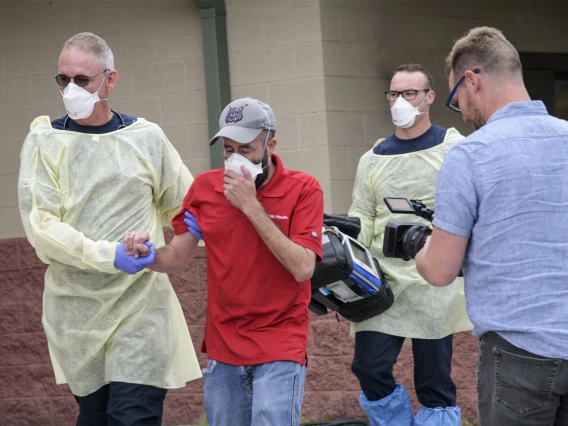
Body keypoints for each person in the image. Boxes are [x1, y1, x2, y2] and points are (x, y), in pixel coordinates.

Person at [17, 32, 201, 426]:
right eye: (62, 79)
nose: (70, 89)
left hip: (140, 307)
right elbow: (42, 227)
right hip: (77, 313)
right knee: (96, 418)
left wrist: (176, 252)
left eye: (81, 80)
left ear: (110, 79)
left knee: (133, 417)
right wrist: (109, 256)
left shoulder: (146, 138)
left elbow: (187, 204)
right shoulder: (45, 142)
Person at [125, 97, 324, 426]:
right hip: (224, 345)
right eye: (228, 149)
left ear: (270, 144)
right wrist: (146, 256)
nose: (235, 159)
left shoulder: (303, 189)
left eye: (245, 150)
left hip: (281, 339)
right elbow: (178, 257)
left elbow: (303, 267)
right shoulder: (204, 188)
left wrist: (250, 206)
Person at [415, 26, 568, 425]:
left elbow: (440, 270)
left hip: (517, 351)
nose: (462, 112)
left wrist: (422, 247)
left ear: (472, 80)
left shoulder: (470, 155)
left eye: (456, 99)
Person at [348, 64, 472, 426]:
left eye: (410, 93)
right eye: (394, 94)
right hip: (382, 281)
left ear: (430, 97)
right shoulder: (372, 159)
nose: (400, 101)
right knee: (368, 368)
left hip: (434, 281)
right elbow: (362, 217)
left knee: (434, 383)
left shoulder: (455, 150)